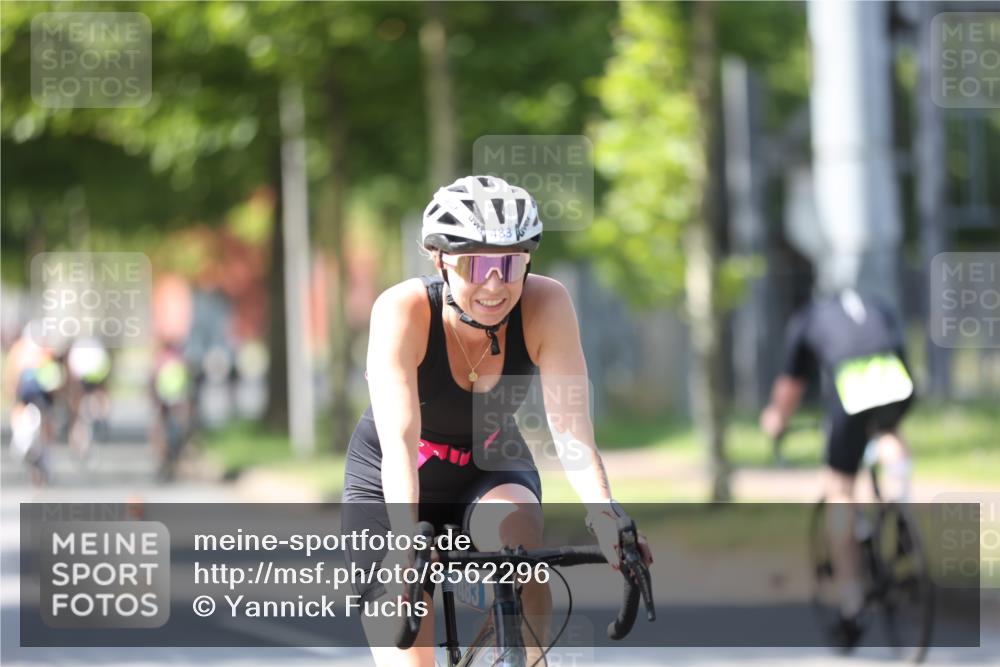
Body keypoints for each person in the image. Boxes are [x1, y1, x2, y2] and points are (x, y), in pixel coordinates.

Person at [342, 175, 652, 666]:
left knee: (521, 552)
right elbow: (400, 442)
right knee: (408, 644)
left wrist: (605, 516)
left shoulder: (546, 304)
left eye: (511, 264)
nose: (495, 283)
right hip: (394, 473)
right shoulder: (402, 311)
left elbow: (570, 431)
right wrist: (404, 546)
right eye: (476, 264)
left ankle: (522, 656)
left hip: (487, 462)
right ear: (441, 260)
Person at [760, 288, 915, 648]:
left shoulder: (807, 318)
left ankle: (851, 598)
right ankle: (898, 502)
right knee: (889, 432)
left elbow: (790, 386)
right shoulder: (875, 302)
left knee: (839, 490)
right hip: (896, 378)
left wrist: (775, 420)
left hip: (853, 391)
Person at [4, 324, 65, 485]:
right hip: (37, 398)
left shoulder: (22, 350)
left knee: (38, 430)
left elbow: (12, 377)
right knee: (43, 431)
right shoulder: (45, 351)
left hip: (31, 397)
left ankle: (35, 458)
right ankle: (39, 460)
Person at [66, 335, 113, 462]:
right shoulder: (91, 352)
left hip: (89, 380)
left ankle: (82, 441)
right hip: (90, 379)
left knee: (81, 414)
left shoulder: (82, 352)